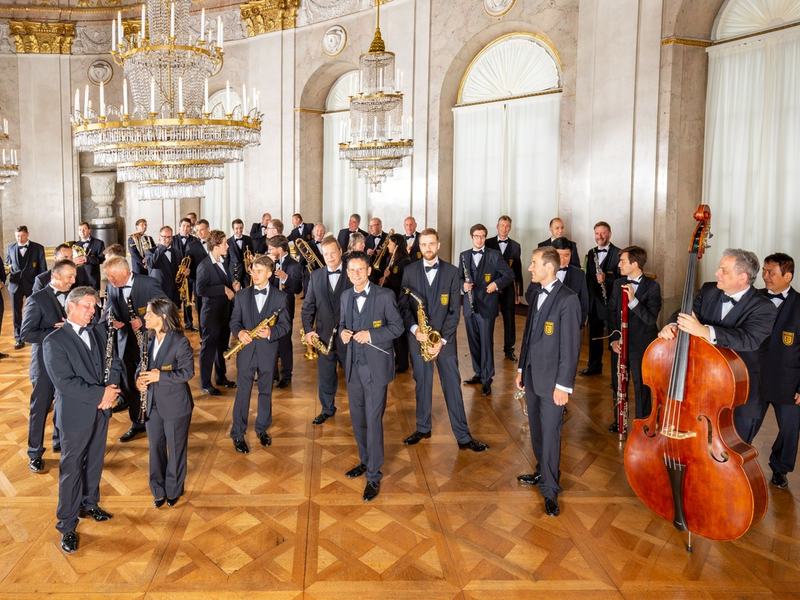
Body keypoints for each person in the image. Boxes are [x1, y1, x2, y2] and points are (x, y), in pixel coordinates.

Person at [658, 248, 776, 442]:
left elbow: (748, 339)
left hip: (738, 392)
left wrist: (704, 331)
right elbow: (684, 312)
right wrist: (672, 325)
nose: (717, 273)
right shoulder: (709, 290)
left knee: (734, 449)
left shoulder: (765, 307)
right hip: (702, 386)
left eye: (724, 270)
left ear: (742, 277)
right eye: (719, 268)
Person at [43, 286, 121, 554]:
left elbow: (114, 362)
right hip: (76, 414)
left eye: (94, 305)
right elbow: (64, 383)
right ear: (72, 306)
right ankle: (66, 525)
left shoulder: (98, 331)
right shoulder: (53, 341)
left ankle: (89, 504)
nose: (92, 310)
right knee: (72, 469)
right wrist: (101, 395)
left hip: (101, 409)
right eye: (87, 305)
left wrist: (111, 391)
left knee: (95, 461)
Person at [399, 228, 489, 452]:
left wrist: (442, 341)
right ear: (419, 247)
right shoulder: (409, 271)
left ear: (438, 245)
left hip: (444, 343)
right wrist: (415, 329)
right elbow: (403, 306)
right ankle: (423, 428)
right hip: (419, 340)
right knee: (422, 384)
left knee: (452, 387)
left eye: (432, 243)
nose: (428, 248)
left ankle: (464, 437)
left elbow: (454, 311)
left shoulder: (452, 272)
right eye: (423, 244)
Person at [516, 247, 582, 517]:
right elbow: (529, 336)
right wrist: (521, 368)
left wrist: (563, 386)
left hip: (554, 381)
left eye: (534, 263)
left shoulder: (568, 300)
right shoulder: (535, 293)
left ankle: (551, 489)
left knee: (551, 433)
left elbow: (570, 348)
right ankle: (542, 471)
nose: (530, 268)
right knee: (536, 429)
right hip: (532, 374)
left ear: (549, 268)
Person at [339, 251, 404, 502]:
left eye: (360, 269)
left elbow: (397, 327)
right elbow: (342, 324)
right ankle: (365, 461)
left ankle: (374, 475)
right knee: (358, 419)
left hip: (375, 369)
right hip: (353, 368)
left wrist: (372, 335)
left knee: (373, 420)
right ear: (347, 273)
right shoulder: (346, 296)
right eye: (351, 270)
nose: (356, 274)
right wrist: (343, 333)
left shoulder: (385, 296)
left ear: (368, 271)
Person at [136, 297, 194, 508]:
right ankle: (158, 489)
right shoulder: (147, 338)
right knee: (155, 448)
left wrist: (159, 376)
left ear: (162, 316)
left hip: (175, 405)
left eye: (149, 314)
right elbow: (141, 366)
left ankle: (174, 489)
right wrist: (138, 380)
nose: (145, 317)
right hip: (152, 403)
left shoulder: (180, 342)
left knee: (176, 449)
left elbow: (187, 372)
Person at [229, 255, 291, 453]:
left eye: (259, 271)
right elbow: (234, 322)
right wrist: (240, 332)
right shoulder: (241, 295)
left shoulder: (281, 297)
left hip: (267, 352)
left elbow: (286, 325)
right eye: (253, 271)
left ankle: (262, 428)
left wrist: (271, 332)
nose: (254, 275)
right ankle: (238, 433)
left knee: (266, 391)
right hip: (246, 352)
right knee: (243, 393)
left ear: (270, 273)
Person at [749, 253, 800, 489]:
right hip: (754, 377)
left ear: (788, 276)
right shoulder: (753, 297)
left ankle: (780, 468)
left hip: (788, 380)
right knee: (745, 423)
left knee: (789, 430)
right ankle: (737, 461)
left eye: (771, 272)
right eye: (764, 271)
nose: (765, 276)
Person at [21, 260, 77, 472]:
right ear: (56, 276)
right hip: (43, 364)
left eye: (74, 276)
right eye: (70, 276)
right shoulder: (36, 299)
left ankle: (59, 442)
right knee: (40, 408)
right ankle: (34, 453)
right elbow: (27, 334)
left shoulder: (74, 296)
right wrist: (56, 332)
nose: (73, 280)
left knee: (64, 405)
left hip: (67, 364)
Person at [104, 256, 166, 441]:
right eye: (108, 276)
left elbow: (166, 308)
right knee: (130, 383)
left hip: (149, 342)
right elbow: (109, 310)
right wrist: (110, 320)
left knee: (151, 382)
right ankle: (137, 422)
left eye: (113, 276)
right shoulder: (111, 287)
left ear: (124, 272)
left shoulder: (148, 283)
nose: (110, 280)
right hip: (126, 343)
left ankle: (159, 419)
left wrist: (145, 321)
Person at [605, 246, 661, 431]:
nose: (619, 265)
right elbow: (611, 314)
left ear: (635, 264)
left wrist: (633, 301)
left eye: (622, 261)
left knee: (641, 385)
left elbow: (650, 319)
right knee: (618, 383)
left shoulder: (652, 287)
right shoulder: (617, 283)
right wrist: (614, 340)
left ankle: (642, 425)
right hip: (620, 343)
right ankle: (619, 421)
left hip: (642, 344)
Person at [302, 237, 352, 425]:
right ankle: (327, 409)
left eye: (333, 252)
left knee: (354, 377)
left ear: (340, 251)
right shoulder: (315, 276)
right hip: (323, 338)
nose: (330, 257)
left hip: (350, 337)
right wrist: (308, 330)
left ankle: (359, 410)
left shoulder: (353, 272)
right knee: (326, 377)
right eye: (326, 254)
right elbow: (308, 307)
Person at [459, 223, 514, 396]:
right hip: (469, 307)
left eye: (482, 236)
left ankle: (487, 379)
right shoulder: (464, 255)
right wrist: (463, 285)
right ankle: (478, 373)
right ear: (471, 237)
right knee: (473, 342)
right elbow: (459, 278)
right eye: (476, 236)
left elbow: (509, 275)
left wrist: (496, 284)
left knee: (486, 343)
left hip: (487, 306)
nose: (479, 239)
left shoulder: (494, 255)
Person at [195, 229, 239, 395]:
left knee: (221, 347)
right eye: (224, 243)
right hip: (211, 315)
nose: (227, 246)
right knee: (208, 349)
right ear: (215, 246)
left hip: (224, 313)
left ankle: (221, 377)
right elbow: (200, 290)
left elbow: (225, 283)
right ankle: (205, 383)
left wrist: (232, 286)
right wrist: (222, 289)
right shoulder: (204, 266)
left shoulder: (223, 261)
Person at [581, 221, 620, 376]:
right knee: (594, 338)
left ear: (609, 234)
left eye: (603, 233)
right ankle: (594, 367)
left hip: (610, 304)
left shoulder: (619, 253)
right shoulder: (591, 253)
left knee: (614, 339)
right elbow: (588, 279)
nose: (600, 236)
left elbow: (622, 279)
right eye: (597, 233)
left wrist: (606, 279)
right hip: (595, 304)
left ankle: (616, 376)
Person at [485, 215, 523, 362]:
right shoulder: (487, 243)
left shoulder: (515, 246)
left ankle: (509, 349)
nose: (504, 228)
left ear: (510, 228)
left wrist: (519, 291)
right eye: (502, 225)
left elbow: (517, 270)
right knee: (488, 318)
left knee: (509, 319)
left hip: (508, 288)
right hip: (491, 287)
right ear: (497, 227)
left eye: (507, 226)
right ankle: (487, 348)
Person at [267, 235, 303, 388]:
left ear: (280, 249)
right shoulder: (269, 262)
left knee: (284, 343)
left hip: (285, 310)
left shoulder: (294, 265)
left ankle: (286, 375)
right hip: (269, 308)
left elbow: (297, 289)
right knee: (270, 341)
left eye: (271, 249)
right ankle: (272, 374)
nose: (268, 252)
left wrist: (286, 278)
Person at [6, 225, 47, 349]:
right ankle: (18, 338)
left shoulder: (38, 248)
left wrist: (41, 286)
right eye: (17, 236)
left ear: (27, 234)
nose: (20, 238)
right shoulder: (10, 248)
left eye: (22, 235)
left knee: (35, 311)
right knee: (16, 313)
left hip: (33, 285)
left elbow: (43, 269)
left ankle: (35, 335)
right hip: (15, 286)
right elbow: (7, 266)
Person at [379, 233, 412, 372]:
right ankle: (397, 359)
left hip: (399, 301)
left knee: (400, 334)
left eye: (390, 244)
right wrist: (384, 280)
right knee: (393, 332)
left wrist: (390, 276)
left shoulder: (405, 262)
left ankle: (403, 362)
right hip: (390, 301)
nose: (388, 247)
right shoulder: (390, 259)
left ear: (397, 245)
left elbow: (404, 284)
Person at [546, 237, 589, 324]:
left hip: (570, 323)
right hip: (546, 321)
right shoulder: (543, 270)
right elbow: (531, 294)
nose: (562, 259)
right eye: (559, 255)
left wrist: (578, 324)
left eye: (566, 256)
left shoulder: (579, 274)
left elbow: (584, 302)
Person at [145, 226, 181, 306]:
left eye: (169, 237)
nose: (167, 240)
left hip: (174, 293)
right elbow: (151, 264)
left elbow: (177, 271)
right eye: (164, 237)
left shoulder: (177, 252)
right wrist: (162, 247)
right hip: (158, 292)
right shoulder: (150, 252)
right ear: (159, 237)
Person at [186, 219, 211, 333]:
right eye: (197, 230)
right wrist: (189, 274)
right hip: (199, 284)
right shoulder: (191, 246)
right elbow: (188, 267)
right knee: (201, 310)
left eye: (201, 230)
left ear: (208, 229)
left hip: (216, 282)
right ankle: (203, 336)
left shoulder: (217, 243)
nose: (199, 233)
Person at [174, 218, 197, 330]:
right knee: (175, 301)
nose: (185, 228)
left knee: (188, 300)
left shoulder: (195, 240)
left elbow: (196, 258)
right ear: (179, 227)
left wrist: (189, 270)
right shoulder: (173, 239)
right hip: (176, 275)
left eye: (188, 226)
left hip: (189, 275)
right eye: (183, 226)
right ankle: (175, 324)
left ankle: (189, 324)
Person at [73, 222, 105, 290]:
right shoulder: (75, 245)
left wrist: (87, 259)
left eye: (84, 229)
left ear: (89, 230)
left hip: (93, 278)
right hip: (79, 279)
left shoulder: (99, 243)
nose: (82, 232)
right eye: (80, 230)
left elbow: (102, 259)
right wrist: (74, 261)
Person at [227, 218, 254, 288]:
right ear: (233, 229)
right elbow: (227, 261)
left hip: (247, 273)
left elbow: (252, 254)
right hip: (235, 274)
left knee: (248, 292)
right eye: (236, 228)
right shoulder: (228, 242)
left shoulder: (249, 239)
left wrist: (251, 258)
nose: (239, 230)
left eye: (241, 228)